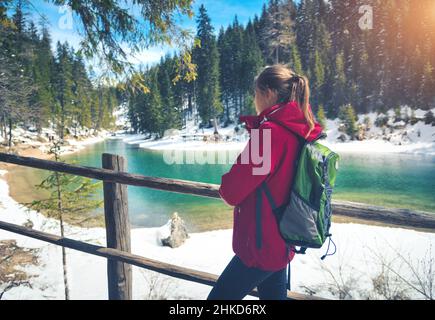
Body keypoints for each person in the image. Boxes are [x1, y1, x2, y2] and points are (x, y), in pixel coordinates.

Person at [207, 64, 324, 300]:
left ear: (268, 93)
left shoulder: (268, 133)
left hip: (260, 246)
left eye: (256, 93)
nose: (254, 99)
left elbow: (231, 191)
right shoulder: (300, 130)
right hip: (283, 238)